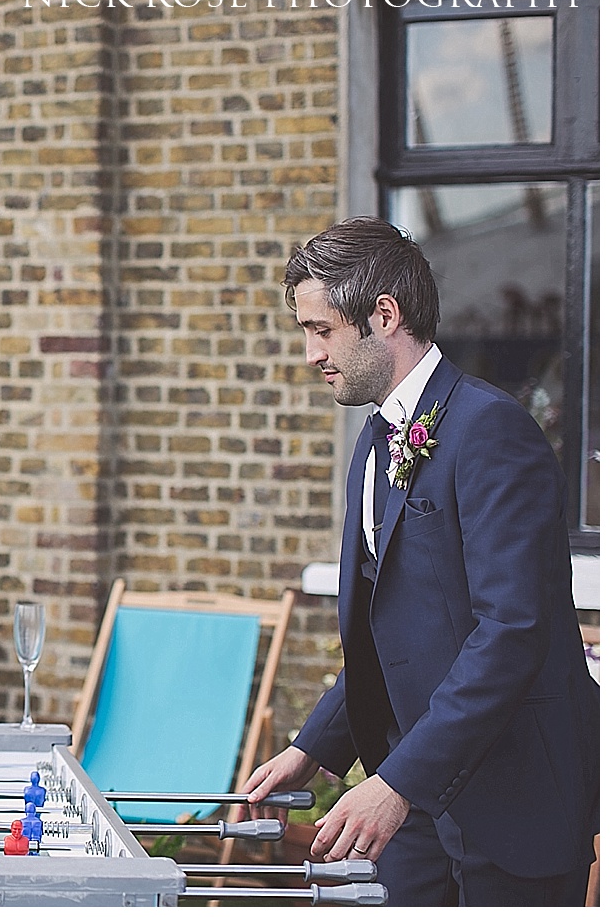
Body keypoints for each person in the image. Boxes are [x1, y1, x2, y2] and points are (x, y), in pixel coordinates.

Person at [240, 217, 598, 905]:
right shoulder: (374, 444)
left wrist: (398, 784)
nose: (311, 353)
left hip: (512, 801)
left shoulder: (492, 430)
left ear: (383, 314)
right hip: (417, 809)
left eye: (321, 329)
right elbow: (392, 632)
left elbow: (510, 633)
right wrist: (312, 749)